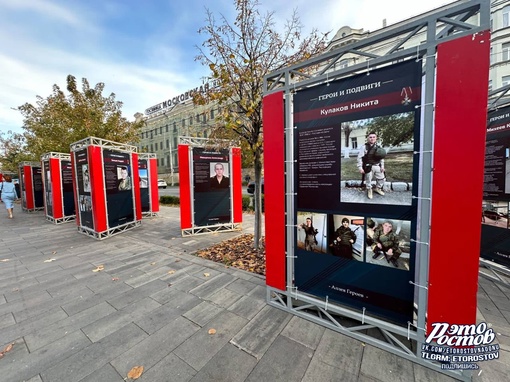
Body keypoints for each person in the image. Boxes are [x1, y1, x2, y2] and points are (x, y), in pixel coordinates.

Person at [357, 131, 386, 199]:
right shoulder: (364, 147)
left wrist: (382, 166)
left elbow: (381, 158)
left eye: (373, 137)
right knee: (368, 180)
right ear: (368, 138)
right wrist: (360, 168)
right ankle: (369, 190)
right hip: (368, 166)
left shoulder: (379, 147)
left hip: (377, 166)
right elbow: (359, 158)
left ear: (376, 138)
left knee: (382, 178)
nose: (372, 138)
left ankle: (377, 188)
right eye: (370, 137)